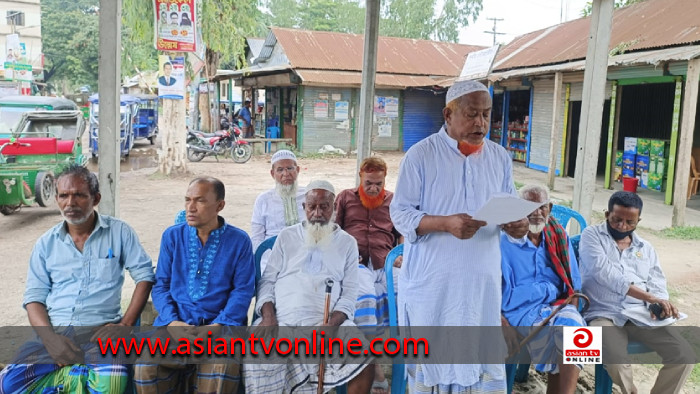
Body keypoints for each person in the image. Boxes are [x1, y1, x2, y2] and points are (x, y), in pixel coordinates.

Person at [389, 79, 529, 392]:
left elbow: (507, 207)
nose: (480, 122)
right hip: (434, 286)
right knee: (432, 366)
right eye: (471, 114)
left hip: (481, 286)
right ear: (448, 115)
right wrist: (444, 223)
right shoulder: (420, 155)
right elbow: (399, 214)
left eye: (486, 114)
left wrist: (517, 225)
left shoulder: (499, 157)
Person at [0, 165, 155, 393]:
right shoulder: (46, 243)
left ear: (96, 198)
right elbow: (34, 299)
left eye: (79, 195)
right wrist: (51, 340)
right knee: (9, 384)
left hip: (100, 333)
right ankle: (77, 379)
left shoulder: (120, 232)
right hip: (56, 332)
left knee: (112, 385)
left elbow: (145, 277)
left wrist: (125, 324)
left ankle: (69, 380)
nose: (70, 202)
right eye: (64, 195)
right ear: (56, 199)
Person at [243, 180, 373, 393]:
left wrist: (332, 324)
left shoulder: (347, 242)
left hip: (327, 323)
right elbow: (267, 282)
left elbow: (350, 293)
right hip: (281, 320)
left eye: (324, 206)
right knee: (257, 350)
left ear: (334, 208)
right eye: (312, 207)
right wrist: (268, 317)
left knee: (365, 360)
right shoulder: (287, 236)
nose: (318, 213)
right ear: (304, 207)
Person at [134, 177, 255, 393]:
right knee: (146, 365)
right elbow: (161, 285)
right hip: (174, 326)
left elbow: (243, 291)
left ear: (220, 205)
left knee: (222, 366)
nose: (191, 207)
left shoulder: (239, 241)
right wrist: (172, 323)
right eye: (187, 200)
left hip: (219, 328)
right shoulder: (172, 236)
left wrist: (217, 326)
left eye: (199, 201)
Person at [580, 191, 695, 394]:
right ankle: (630, 391)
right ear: (607, 214)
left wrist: (659, 302)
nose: (622, 226)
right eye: (617, 219)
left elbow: (657, 281)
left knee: (684, 355)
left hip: (640, 314)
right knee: (615, 359)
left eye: (630, 222)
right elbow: (604, 274)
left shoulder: (646, 248)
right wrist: (647, 296)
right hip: (603, 313)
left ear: (638, 220)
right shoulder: (591, 236)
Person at [500, 185, 585, 394]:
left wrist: (572, 310)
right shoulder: (503, 241)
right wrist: (500, 321)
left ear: (550, 208)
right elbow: (486, 289)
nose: (537, 214)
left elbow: (573, 284)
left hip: (556, 305)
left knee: (578, 332)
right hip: (518, 312)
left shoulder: (557, 235)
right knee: (561, 339)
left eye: (542, 207)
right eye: (530, 207)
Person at [335, 157, 401, 394]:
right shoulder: (344, 197)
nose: (373, 188)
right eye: (369, 183)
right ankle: (371, 365)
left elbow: (400, 233)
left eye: (378, 183)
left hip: (386, 262)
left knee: (406, 295)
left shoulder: (393, 200)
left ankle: (410, 367)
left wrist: (400, 253)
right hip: (356, 263)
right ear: (360, 177)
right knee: (365, 298)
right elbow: (335, 230)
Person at [250, 149, 305, 273]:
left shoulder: (309, 195)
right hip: (272, 259)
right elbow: (256, 238)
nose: (286, 174)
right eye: (280, 170)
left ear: (298, 170)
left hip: (305, 257)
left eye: (290, 168)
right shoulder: (263, 200)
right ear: (272, 173)